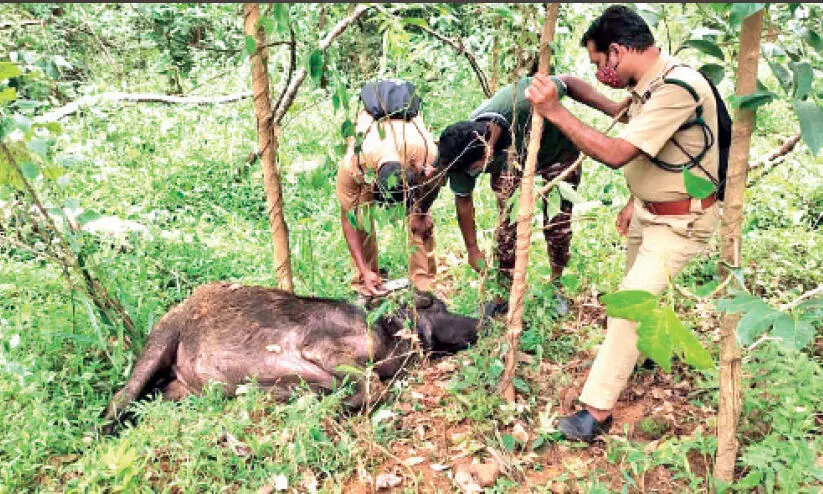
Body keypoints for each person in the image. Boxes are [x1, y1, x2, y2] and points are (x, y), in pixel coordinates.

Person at [524, 5, 721, 442]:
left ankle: (595, 412)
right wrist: (637, 199)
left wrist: (556, 111)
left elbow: (617, 153)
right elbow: (655, 141)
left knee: (628, 308)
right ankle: (649, 352)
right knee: (639, 289)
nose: (599, 72)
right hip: (652, 212)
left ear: (616, 51)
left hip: (681, 221)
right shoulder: (650, 84)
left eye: (598, 63)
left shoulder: (676, 88)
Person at [436, 74, 624, 317]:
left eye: (477, 168)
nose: (473, 174)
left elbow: (567, 82)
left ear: (487, 149)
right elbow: (463, 200)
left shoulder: (520, 100)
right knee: (506, 229)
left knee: (557, 225)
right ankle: (503, 292)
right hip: (511, 166)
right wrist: (472, 250)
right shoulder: (458, 154)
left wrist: (612, 108)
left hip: (557, 154)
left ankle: (557, 285)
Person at [336, 96, 440, 297]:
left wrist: (422, 210)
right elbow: (349, 221)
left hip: (409, 141)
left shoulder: (427, 155)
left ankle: (423, 284)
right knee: (360, 217)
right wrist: (364, 269)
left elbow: (434, 184)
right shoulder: (354, 165)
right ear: (373, 181)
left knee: (420, 221)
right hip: (372, 138)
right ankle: (365, 281)